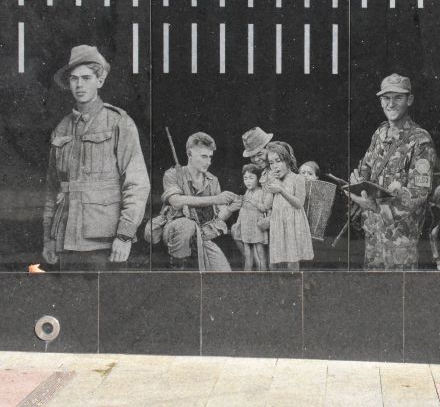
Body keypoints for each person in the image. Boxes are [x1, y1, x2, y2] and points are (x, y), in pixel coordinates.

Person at [43, 45, 150, 271]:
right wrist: (49, 238)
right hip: (64, 238)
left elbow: (137, 183)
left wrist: (125, 235)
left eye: (86, 78)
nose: (79, 85)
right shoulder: (61, 128)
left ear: (99, 81)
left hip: (105, 241)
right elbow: (53, 189)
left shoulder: (119, 122)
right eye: (74, 79)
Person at [347, 74, 437, 270]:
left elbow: (419, 192)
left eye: (398, 98)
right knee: (373, 292)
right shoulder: (380, 134)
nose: (391, 104)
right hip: (373, 232)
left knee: (398, 294)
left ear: (409, 100)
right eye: (386, 98)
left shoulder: (420, 140)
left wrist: (375, 207)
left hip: (400, 237)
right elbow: (366, 168)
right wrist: (357, 183)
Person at [160, 132, 238, 271]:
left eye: (210, 157)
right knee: (186, 225)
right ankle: (178, 269)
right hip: (175, 231)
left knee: (224, 272)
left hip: (202, 235)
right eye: (203, 156)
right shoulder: (172, 174)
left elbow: (219, 216)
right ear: (189, 154)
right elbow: (176, 201)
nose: (208, 162)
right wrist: (214, 199)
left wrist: (231, 208)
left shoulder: (213, 180)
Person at [264, 141, 313, 270]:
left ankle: (295, 287)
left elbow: (299, 204)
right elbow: (267, 204)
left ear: (288, 160)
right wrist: (271, 183)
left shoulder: (297, 178)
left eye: (278, 161)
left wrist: (281, 190)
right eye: (271, 163)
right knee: (275, 260)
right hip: (278, 222)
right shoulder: (274, 179)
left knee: (292, 260)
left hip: (293, 224)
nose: (274, 166)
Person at [232, 163, 270, 271]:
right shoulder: (246, 192)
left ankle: (264, 277)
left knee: (260, 252)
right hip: (246, 226)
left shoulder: (261, 192)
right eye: (245, 178)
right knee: (247, 253)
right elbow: (243, 210)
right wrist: (239, 225)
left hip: (256, 227)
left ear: (258, 178)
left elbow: (265, 208)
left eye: (251, 178)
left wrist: (253, 202)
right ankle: (246, 277)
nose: (248, 181)